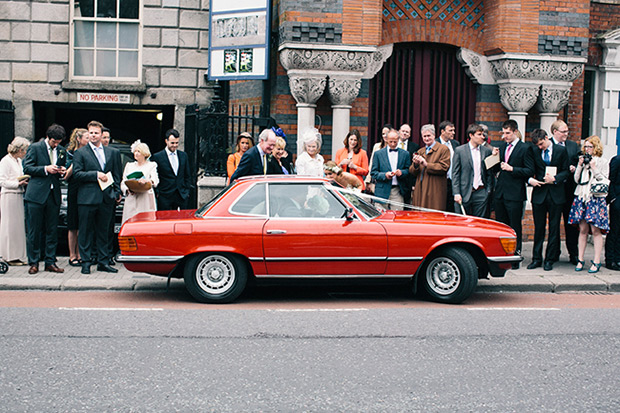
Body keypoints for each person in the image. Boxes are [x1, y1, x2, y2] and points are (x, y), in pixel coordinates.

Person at [73, 120, 122, 274]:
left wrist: (116, 192)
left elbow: (117, 175)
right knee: (86, 231)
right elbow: (77, 174)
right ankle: (86, 263)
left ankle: (103, 262)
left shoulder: (113, 152)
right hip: (87, 198)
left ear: (102, 135)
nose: (93, 136)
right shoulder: (80, 153)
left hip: (106, 198)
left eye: (96, 133)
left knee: (104, 232)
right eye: (91, 133)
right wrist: (96, 175)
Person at [23, 123, 67, 275]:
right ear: (48, 137)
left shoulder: (61, 150)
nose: (56, 145)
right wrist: (45, 169)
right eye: (54, 142)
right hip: (36, 195)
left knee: (52, 230)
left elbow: (63, 167)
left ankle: (50, 261)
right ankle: (34, 262)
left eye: (58, 142)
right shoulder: (35, 148)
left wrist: (62, 171)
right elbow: (27, 167)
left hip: (53, 194)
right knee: (34, 230)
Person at [526, 129, 570, 272]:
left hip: (555, 194)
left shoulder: (560, 150)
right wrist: (530, 180)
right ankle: (536, 258)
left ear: (546, 138)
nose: (540, 147)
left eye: (541, 144)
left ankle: (549, 259)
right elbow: (530, 169)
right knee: (538, 228)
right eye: (538, 145)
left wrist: (555, 179)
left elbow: (566, 171)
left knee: (554, 228)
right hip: (539, 193)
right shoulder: (534, 151)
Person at [492, 119, 534, 263]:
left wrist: (513, 169)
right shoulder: (502, 147)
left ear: (515, 132)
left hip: (515, 194)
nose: (505, 136)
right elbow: (494, 169)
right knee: (501, 226)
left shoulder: (524, 148)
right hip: (501, 192)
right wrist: (493, 158)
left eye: (508, 133)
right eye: (503, 133)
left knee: (514, 227)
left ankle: (515, 256)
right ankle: (502, 255)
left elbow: (529, 170)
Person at [568, 136, 610, 273]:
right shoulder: (583, 161)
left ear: (596, 148)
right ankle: (580, 259)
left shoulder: (602, 162)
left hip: (595, 199)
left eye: (590, 147)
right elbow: (576, 179)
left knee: (596, 231)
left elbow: (604, 180)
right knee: (583, 230)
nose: (587, 149)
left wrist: (594, 167)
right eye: (585, 147)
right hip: (582, 197)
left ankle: (596, 261)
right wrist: (580, 166)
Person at [550, 120, 580, 265]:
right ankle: (554, 253)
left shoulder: (573, 146)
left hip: (569, 191)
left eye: (567, 131)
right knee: (554, 224)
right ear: (554, 131)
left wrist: (575, 166)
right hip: (553, 190)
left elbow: (578, 160)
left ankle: (573, 253)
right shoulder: (548, 144)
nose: (566, 134)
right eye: (563, 132)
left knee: (571, 224)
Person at [451, 123, 493, 217]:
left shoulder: (486, 151)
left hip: (481, 192)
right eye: (479, 134)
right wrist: (456, 192)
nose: (482, 137)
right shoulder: (460, 150)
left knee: (479, 223)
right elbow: (455, 173)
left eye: (483, 134)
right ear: (471, 135)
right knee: (462, 222)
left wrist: (488, 191)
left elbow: (489, 173)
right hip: (464, 192)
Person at [0, 137, 30, 265]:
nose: (25, 153)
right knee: (9, 226)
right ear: (19, 149)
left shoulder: (18, 161)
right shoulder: (5, 161)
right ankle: (8, 256)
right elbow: (2, 181)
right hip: (9, 194)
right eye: (24, 150)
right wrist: (17, 183)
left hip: (18, 194)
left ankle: (17, 255)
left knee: (18, 226)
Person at [63, 128, 89, 267]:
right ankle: (72, 255)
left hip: (85, 189)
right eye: (86, 137)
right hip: (74, 189)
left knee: (82, 224)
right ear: (79, 139)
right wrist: (76, 162)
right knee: (73, 224)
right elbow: (66, 175)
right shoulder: (70, 154)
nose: (89, 139)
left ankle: (80, 254)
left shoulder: (89, 153)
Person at [410, 124, 451, 210]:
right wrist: (416, 164)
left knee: (433, 216)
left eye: (429, 136)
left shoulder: (443, 149)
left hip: (434, 190)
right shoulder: (420, 151)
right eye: (424, 136)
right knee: (419, 215)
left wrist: (426, 164)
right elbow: (412, 172)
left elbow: (444, 167)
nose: (427, 138)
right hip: (420, 190)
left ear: (434, 135)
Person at [370, 128, 411, 210]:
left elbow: (408, 170)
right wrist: (385, 175)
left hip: (397, 191)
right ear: (386, 140)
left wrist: (401, 173)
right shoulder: (378, 154)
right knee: (381, 217)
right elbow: (373, 173)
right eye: (390, 141)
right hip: (382, 190)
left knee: (397, 216)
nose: (392, 144)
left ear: (398, 140)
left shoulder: (405, 154)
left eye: (395, 142)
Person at [151, 128, 192, 210]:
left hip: (181, 194)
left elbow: (187, 175)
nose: (175, 145)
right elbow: (155, 175)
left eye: (177, 143)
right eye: (172, 143)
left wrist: (186, 191)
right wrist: (158, 193)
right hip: (165, 195)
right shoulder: (157, 157)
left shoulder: (183, 156)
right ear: (166, 141)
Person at [121, 141, 159, 224]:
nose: (136, 153)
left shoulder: (151, 165)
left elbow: (155, 180)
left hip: (145, 199)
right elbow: (123, 182)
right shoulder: (129, 165)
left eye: (139, 151)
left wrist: (147, 181)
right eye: (135, 151)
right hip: (132, 198)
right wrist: (127, 189)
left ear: (144, 153)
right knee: (130, 223)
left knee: (145, 223)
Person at [437, 120, 459, 212]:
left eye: (453, 130)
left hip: (452, 181)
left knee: (451, 209)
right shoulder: (435, 143)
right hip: (439, 181)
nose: (453, 133)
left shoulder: (455, 144)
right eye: (450, 130)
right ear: (442, 131)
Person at [397, 123, 420, 204]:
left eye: (407, 132)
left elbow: (415, 166)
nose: (404, 133)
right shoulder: (393, 144)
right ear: (399, 132)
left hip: (407, 182)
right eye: (403, 131)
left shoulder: (414, 147)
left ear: (409, 134)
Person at [365, 124, 392, 191]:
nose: (385, 136)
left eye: (387, 133)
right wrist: (368, 180)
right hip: (377, 179)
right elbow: (372, 163)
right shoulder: (377, 146)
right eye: (383, 134)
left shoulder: (394, 147)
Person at [605, 154, 620, 270]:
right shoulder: (617, 160)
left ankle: (618, 258)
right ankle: (610, 260)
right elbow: (611, 180)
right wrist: (613, 198)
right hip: (618, 200)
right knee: (614, 230)